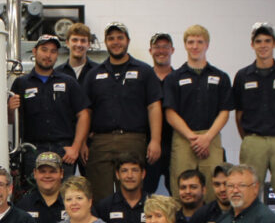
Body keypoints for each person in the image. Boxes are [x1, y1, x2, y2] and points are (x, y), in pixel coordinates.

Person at [83, 22, 163, 201]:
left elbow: (154, 107)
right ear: (105, 42)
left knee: (133, 194)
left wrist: (156, 140)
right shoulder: (93, 74)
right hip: (101, 143)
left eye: (120, 37)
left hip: (133, 140)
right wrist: (81, 142)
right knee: (100, 196)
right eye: (111, 38)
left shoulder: (144, 71)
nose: (116, 42)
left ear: (128, 41)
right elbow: (86, 112)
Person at [233, 23, 275, 219]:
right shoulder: (242, 76)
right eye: (258, 41)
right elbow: (238, 114)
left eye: (267, 41)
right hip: (253, 140)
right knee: (248, 193)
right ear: (252, 45)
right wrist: (248, 138)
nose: (263, 45)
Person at [164, 25, 234, 202]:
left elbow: (224, 112)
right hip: (183, 138)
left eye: (199, 42)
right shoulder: (174, 78)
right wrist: (192, 137)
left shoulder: (221, 77)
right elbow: (170, 113)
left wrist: (207, 138)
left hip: (211, 138)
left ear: (207, 45)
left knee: (213, 187)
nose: (195, 46)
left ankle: (213, 220)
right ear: (185, 45)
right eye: (191, 42)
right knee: (181, 187)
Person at [9, 34, 91, 185]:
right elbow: (11, 121)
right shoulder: (21, 83)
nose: (48, 55)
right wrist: (10, 109)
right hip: (32, 150)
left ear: (57, 55)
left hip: (63, 152)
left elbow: (84, 114)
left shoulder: (69, 82)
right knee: (33, 194)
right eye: (44, 50)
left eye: (53, 51)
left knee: (64, 195)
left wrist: (75, 147)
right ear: (35, 51)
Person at [146, 32, 176, 194]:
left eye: (165, 47)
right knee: (146, 193)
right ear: (150, 50)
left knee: (178, 192)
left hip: (176, 144)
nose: (161, 51)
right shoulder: (144, 78)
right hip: (149, 146)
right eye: (157, 47)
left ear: (173, 50)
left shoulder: (179, 78)